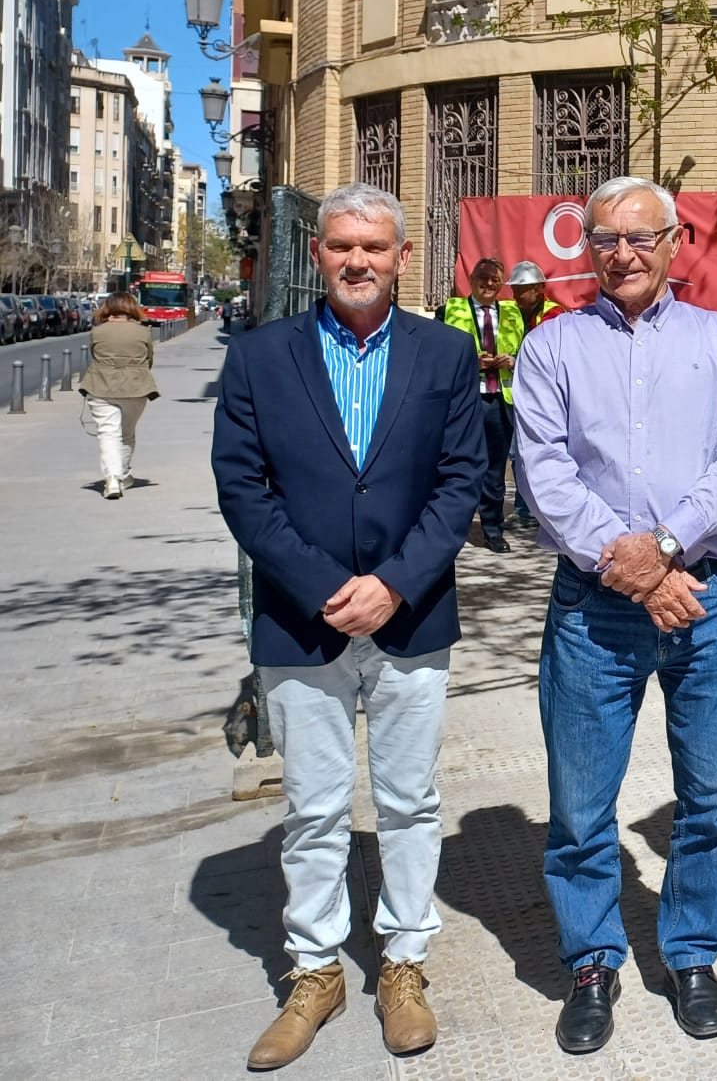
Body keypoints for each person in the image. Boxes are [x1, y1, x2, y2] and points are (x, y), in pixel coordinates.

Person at [211, 182, 485, 1071]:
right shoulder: (259, 358)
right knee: (316, 807)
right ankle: (316, 969)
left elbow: (460, 485)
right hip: (303, 622)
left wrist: (395, 586)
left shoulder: (445, 354)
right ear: (320, 255)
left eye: (374, 246)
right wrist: (332, 586)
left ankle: (404, 962)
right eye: (340, 246)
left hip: (411, 622)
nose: (357, 261)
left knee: (410, 802)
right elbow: (243, 492)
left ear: (403, 257)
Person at [513, 175, 717, 1053]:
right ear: (585, 249)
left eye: (640, 236)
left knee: (710, 796)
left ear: (675, 242)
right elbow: (543, 475)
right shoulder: (550, 349)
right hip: (594, 605)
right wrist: (629, 565)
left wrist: (663, 545)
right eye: (604, 239)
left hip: (711, 596)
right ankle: (592, 961)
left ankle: (691, 952)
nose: (622, 253)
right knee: (581, 805)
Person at [441, 257, 523, 551]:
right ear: (472, 278)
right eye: (483, 278)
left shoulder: (513, 313)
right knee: (457, 464)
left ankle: (492, 530)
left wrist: (513, 361)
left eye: (495, 280)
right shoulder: (450, 310)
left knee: (494, 469)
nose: (489, 284)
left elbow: (528, 352)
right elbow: (436, 355)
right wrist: (468, 362)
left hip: (500, 400)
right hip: (465, 399)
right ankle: (452, 528)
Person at [78, 292, 157, 498]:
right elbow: (149, 359)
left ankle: (113, 478)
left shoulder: (98, 331)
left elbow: (94, 355)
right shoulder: (143, 332)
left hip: (101, 386)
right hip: (136, 387)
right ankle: (122, 474)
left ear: (107, 309)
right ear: (132, 308)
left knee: (108, 432)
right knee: (127, 433)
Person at [506, 261, 560, 528]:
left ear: (539, 289)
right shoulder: (514, 314)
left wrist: (516, 361)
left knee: (531, 453)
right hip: (515, 396)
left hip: (544, 398)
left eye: (522, 290)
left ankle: (532, 511)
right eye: (515, 290)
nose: (516, 295)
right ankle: (524, 509)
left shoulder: (553, 315)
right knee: (517, 454)